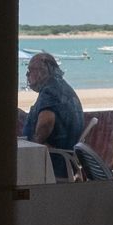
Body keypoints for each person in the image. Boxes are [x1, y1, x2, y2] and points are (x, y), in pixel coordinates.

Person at [22, 52, 85, 180]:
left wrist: (35, 145)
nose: (27, 75)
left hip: (54, 161)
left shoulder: (50, 91)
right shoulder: (62, 87)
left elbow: (46, 122)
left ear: (41, 72)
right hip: (66, 158)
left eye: (30, 71)